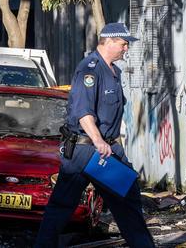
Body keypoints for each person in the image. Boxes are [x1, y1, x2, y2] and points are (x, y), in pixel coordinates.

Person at [34, 22, 156, 247]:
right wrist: (99, 141)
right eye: (123, 44)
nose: (126, 48)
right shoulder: (90, 69)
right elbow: (83, 112)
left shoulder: (113, 71)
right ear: (108, 41)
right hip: (86, 150)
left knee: (128, 198)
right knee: (62, 207)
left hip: (104, 149)